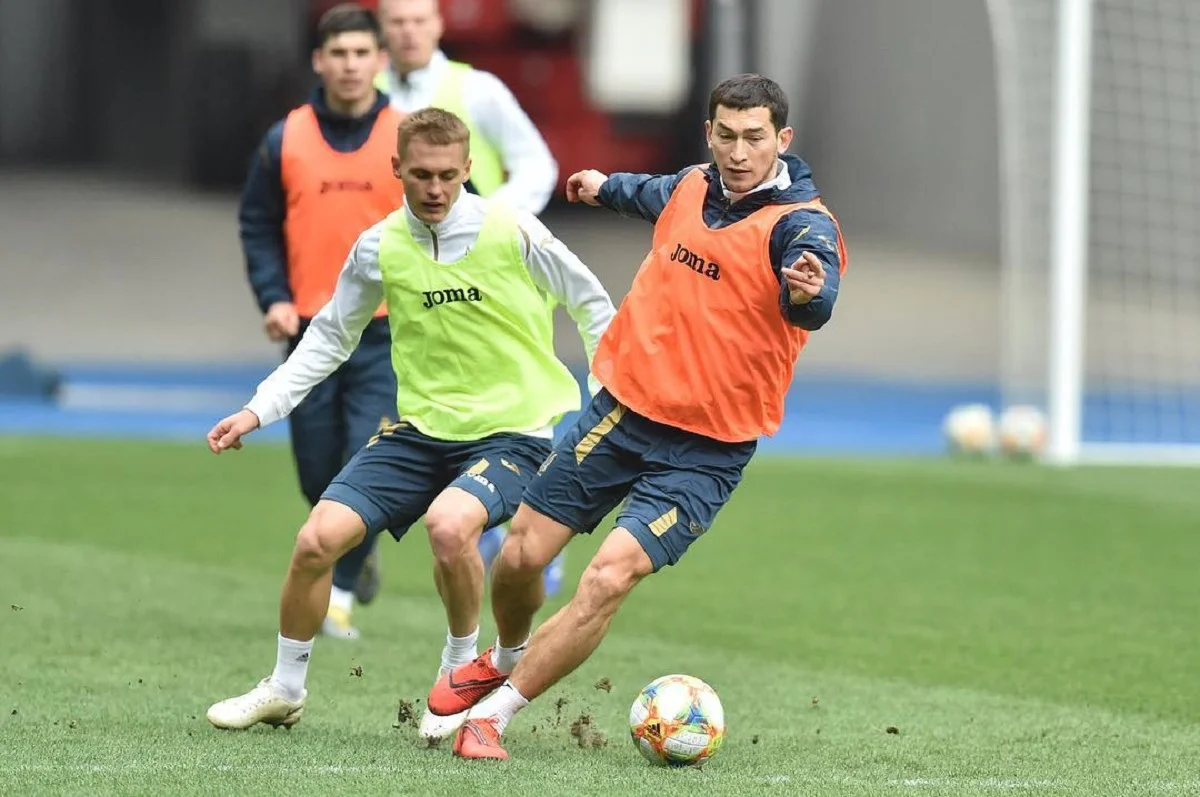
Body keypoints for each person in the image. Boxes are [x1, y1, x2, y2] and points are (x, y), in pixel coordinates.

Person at [425, 73, 850, 760]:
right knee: (521, 554)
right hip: (623, 413)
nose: (740, 151)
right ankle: (503, 657)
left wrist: (808, 293)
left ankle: (492, 717)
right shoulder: (693, 186)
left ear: (783, 139)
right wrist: (600, 186)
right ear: (708, 134)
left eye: (755, 137)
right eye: (727, 136)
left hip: (706, 452)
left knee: (607, 577)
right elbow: (648, 192)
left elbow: (815, 295)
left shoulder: (802, 225)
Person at [204, 107, 615, 742]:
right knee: (316, 540)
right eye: (421, 174)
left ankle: (459, 674)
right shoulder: (379, 246)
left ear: (468, 168)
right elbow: (329, 337)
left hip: (516, 432)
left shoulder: (513, 230)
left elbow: (591, 302)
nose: (435, 188)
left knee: (449, 525)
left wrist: (606, 395)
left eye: (449, 175)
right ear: (396, 168)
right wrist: (258, 408)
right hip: (421, 432)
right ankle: (284, 690)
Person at [370, 0, 569, 597]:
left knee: (506, 405)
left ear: (439, 25)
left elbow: (538, 165)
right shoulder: (363, 91)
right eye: (396, 21)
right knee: (415, 409)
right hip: (409, 279)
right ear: (382, 29)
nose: (407, 31)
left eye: (418, 20)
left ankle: (530, 530)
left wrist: (488, 224)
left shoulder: (476, 89)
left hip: (488, 284)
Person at [240, 4, 402, 640]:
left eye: (362, 53)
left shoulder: (409, 136)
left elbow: (455, 220)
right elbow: (258, 224)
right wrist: (273, 296)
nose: (351, 65)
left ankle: (339, 593)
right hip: (309, 330)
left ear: (380, 60)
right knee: (317, 474)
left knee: (366, 461)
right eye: (339, 53)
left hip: (389, 333)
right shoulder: (285, 139)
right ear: (319, 61)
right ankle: (358, 555)